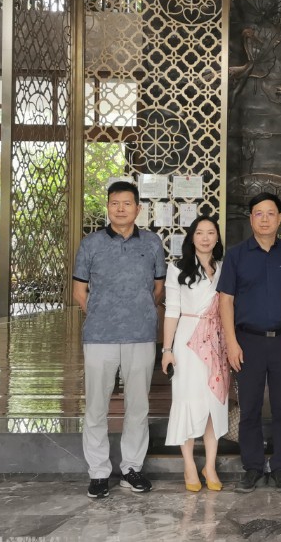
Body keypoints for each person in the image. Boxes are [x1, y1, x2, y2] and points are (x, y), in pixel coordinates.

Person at [72, 180, 166, 499]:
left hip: (141, 335)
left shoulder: (152, 243)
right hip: (100, 337)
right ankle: (98, 472)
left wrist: (137, 311)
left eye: (127, 203)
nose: (120, 209)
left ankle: (131, 469)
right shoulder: (91, 244)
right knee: (96, 406)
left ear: (138, 208)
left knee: (138, 405)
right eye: (115, 203)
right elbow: (79, 291)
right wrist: (103, 313)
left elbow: (158, 289)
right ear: (108, 207)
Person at [219, 193, 281, 494]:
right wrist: (231, 342)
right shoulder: (236, 255)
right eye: (258, 213)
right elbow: (226, 301)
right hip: (247, 341)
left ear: (280, 218)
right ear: (251, 218)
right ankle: (252, 467)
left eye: (270, 213)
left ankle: (280, 468)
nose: (264, 219)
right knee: (249, 407)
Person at [162, 215, 228, 492]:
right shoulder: (177, 268)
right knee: (187, 400)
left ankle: (209, 465)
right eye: (199, 232)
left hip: (217, 342)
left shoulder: (224, 268)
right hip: (187, 342)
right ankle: (189, 464)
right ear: (192, 237)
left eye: (210, 232)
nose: (205, 238)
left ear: (217, 237)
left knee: (214, 403)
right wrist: (167, 349)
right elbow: (171, 311)